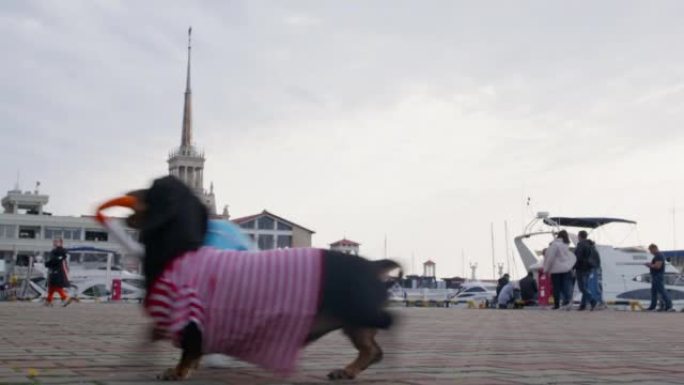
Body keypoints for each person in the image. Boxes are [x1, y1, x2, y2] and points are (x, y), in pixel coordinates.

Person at [542, 230, 576, 310]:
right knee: (566, 286)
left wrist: (546, 269)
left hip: (556, 270)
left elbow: (550, 258)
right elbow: (570, 257)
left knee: (556, 287)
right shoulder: (566, 245)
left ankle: (556, 305)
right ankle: (567, 302)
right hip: (566, 268)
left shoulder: (555, 245)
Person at [44, 238, 75, 307]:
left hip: (58, 271)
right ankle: (49, 300)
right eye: (54, 241)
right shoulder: (53, 251)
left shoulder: (61, 250)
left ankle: (64, 298)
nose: (55, 243)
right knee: (51, 286)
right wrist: (48, 263)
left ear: (61, 243)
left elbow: (58, 259)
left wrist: (50, 262)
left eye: (57, 242)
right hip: (53, 269)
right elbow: (51, 260)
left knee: (56, 286)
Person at [644, 244, 673, 312]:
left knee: (662, 291)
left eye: (650, 250)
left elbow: (658, 266)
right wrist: (651, 265)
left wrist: (649, 265)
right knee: (654, 292)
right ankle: (652, 306)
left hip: (658, 276)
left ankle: (669, 306)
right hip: (655, 276)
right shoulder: (657, 256)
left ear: (654, 248)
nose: (650, 252)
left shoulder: (659, 256)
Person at [574, 231, 597, 311]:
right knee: (585, 287)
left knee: (582, 287)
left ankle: (592, 300)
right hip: (589, 267)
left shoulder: (581, 245)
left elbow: (578, 257)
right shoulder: (590, 245)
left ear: (580, 236)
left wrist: (574, 266)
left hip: (581, 268)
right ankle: (583, 305)